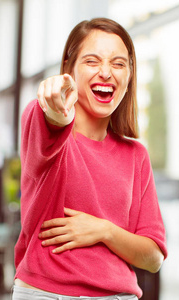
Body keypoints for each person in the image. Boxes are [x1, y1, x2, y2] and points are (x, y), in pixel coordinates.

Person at [12, 18, 167, 300]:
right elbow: (49, 118)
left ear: (130, 75)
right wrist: (56, 111)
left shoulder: (136, 156)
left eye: (118, 64)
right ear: (69, 68)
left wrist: (104, 230)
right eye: (92, 61)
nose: (106, 72)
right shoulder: (46, 130)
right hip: (47, 294)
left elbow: (153, 257)